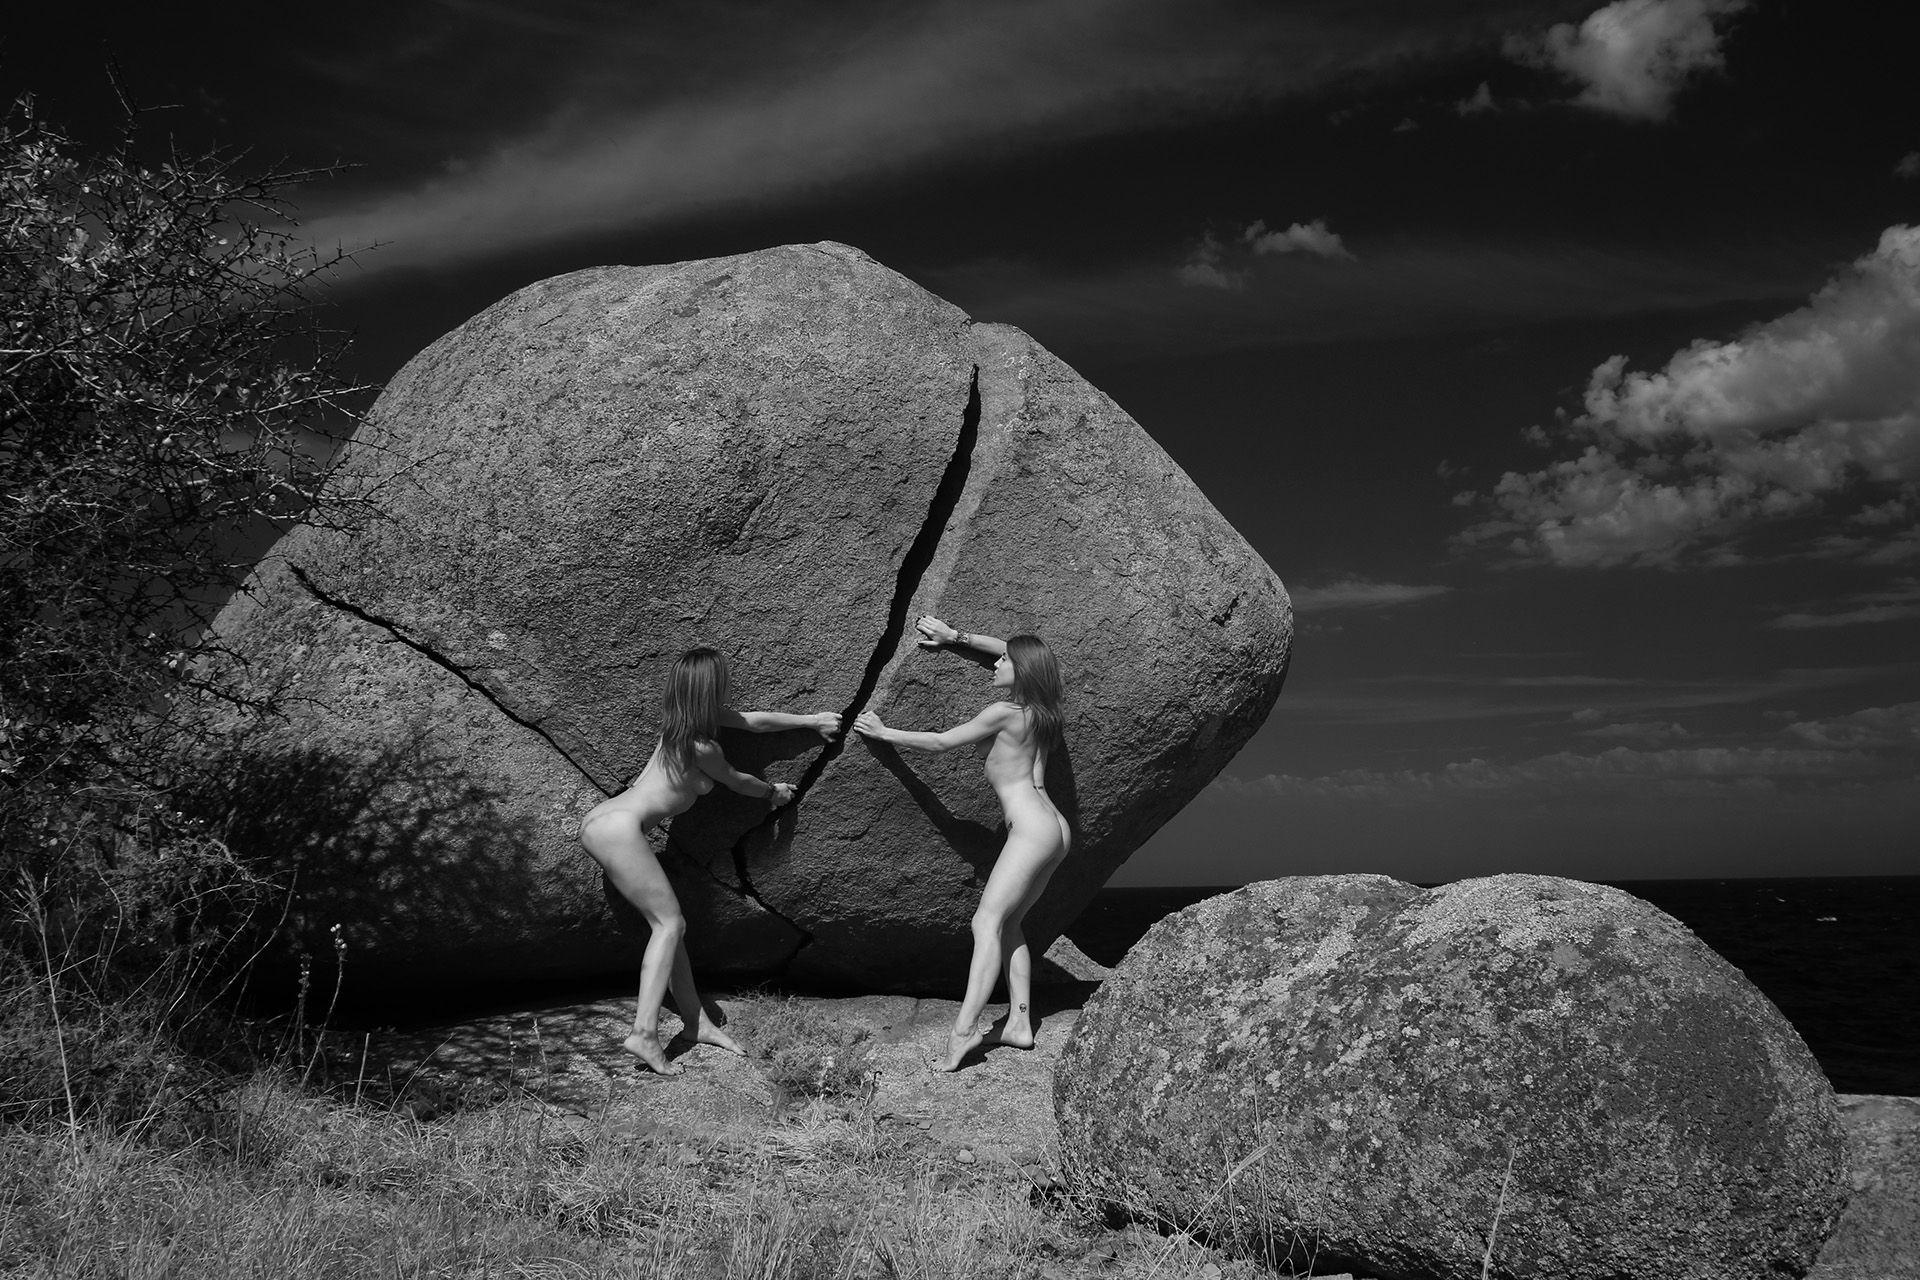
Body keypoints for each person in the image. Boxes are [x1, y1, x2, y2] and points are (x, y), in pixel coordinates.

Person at [579, 647, 840, 1076]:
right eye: (724, 679)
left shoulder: (681, 724)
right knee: (670, 925)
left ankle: (695, 1021)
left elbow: (753, 722)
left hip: (605, 822)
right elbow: (738, 781)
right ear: (711, 688)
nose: (730, 685)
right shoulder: (701, 745)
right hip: (618, 828)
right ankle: (643, 1034)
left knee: (668, 928)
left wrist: (811, 721)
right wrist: (772, 792)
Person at [854, 615, 1070, 1071]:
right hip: (1055, 828)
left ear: (1022, 670)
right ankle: (1019, 1023)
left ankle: (965, 1029)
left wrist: (884, 732)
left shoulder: (1004, 713)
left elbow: (940, 743)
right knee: (1011, 924)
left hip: (1031, 828)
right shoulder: (1047, 712)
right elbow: (1024, 653)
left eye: (1005, 661)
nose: (996, 664)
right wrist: (956, 638)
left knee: (985, 922)